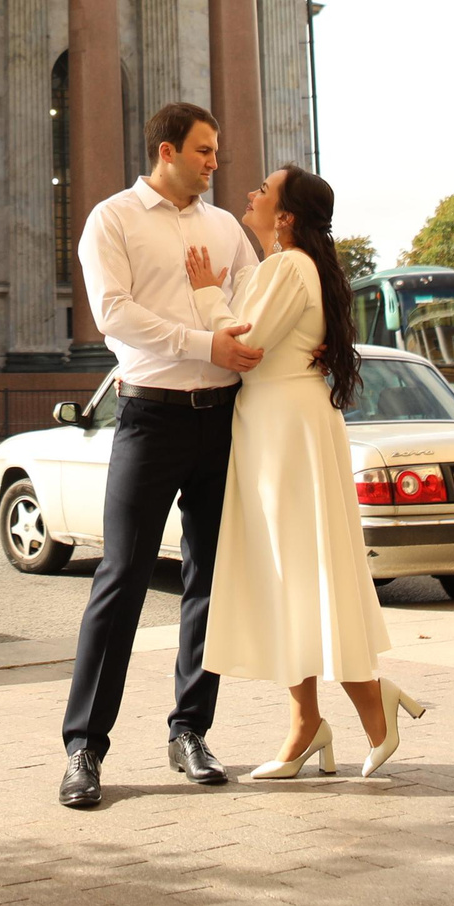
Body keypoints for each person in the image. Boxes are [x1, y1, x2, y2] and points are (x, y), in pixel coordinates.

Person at [187, 164, 422, 779]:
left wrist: (208, 294)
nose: (250, 192)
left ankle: (367, 706)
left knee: (300, 571)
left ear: (285, 216)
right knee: (293, 573)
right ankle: (309, 723)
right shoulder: (292, 267)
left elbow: (247, 343)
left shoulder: (288, 266)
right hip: (284, 427)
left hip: (282, 432)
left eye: (263, 189)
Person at [58, 101, 261, 812]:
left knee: (209, 579)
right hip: (149, 416)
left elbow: (248, 305)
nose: (215, 163)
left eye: (217, 152)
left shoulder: (226, 227)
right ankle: (85, 747)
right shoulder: (112, 219)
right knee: (122, 579)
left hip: (222, 419)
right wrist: (206, 341)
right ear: (167, 150)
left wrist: (235, 336)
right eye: (204, 151)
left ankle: (191, 732)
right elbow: (114, 313)